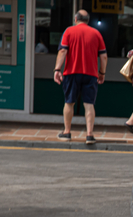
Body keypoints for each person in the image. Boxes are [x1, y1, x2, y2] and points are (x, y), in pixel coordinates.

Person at [53, 10, 107, 144]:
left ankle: (67, 132)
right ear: (88, 20)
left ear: (76, 19)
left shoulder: (69, 31)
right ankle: (89, 135)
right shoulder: (96, 33)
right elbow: (104, 56)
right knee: (89, 104)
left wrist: (57, 69)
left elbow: (63, 51)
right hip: (91, 74)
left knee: (69, 102)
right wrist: (102, 73)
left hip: (71, 73)